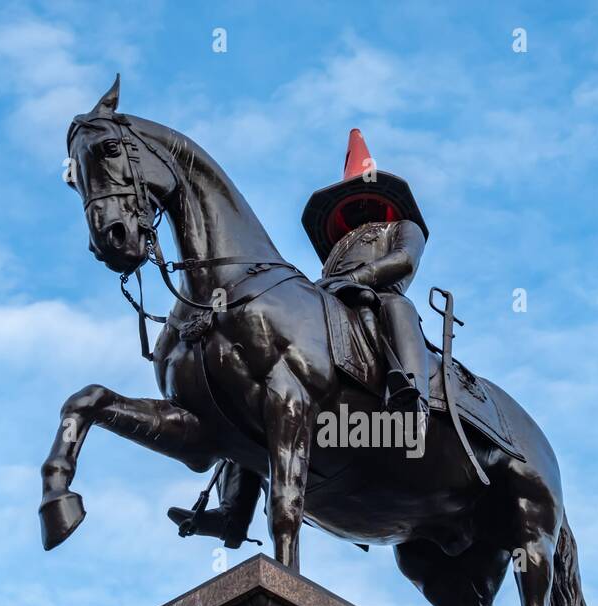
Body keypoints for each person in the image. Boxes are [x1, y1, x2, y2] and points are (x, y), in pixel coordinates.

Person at [167, 130, 432, 547]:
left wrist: (356, 278)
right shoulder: (339, 247)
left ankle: (410, 390)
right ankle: (232, 511)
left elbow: (403, 262)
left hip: (375, 296)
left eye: (366, 199)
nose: (361, 208)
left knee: (399, 309)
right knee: (256, 398)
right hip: (332, 303)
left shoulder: (402, 227)